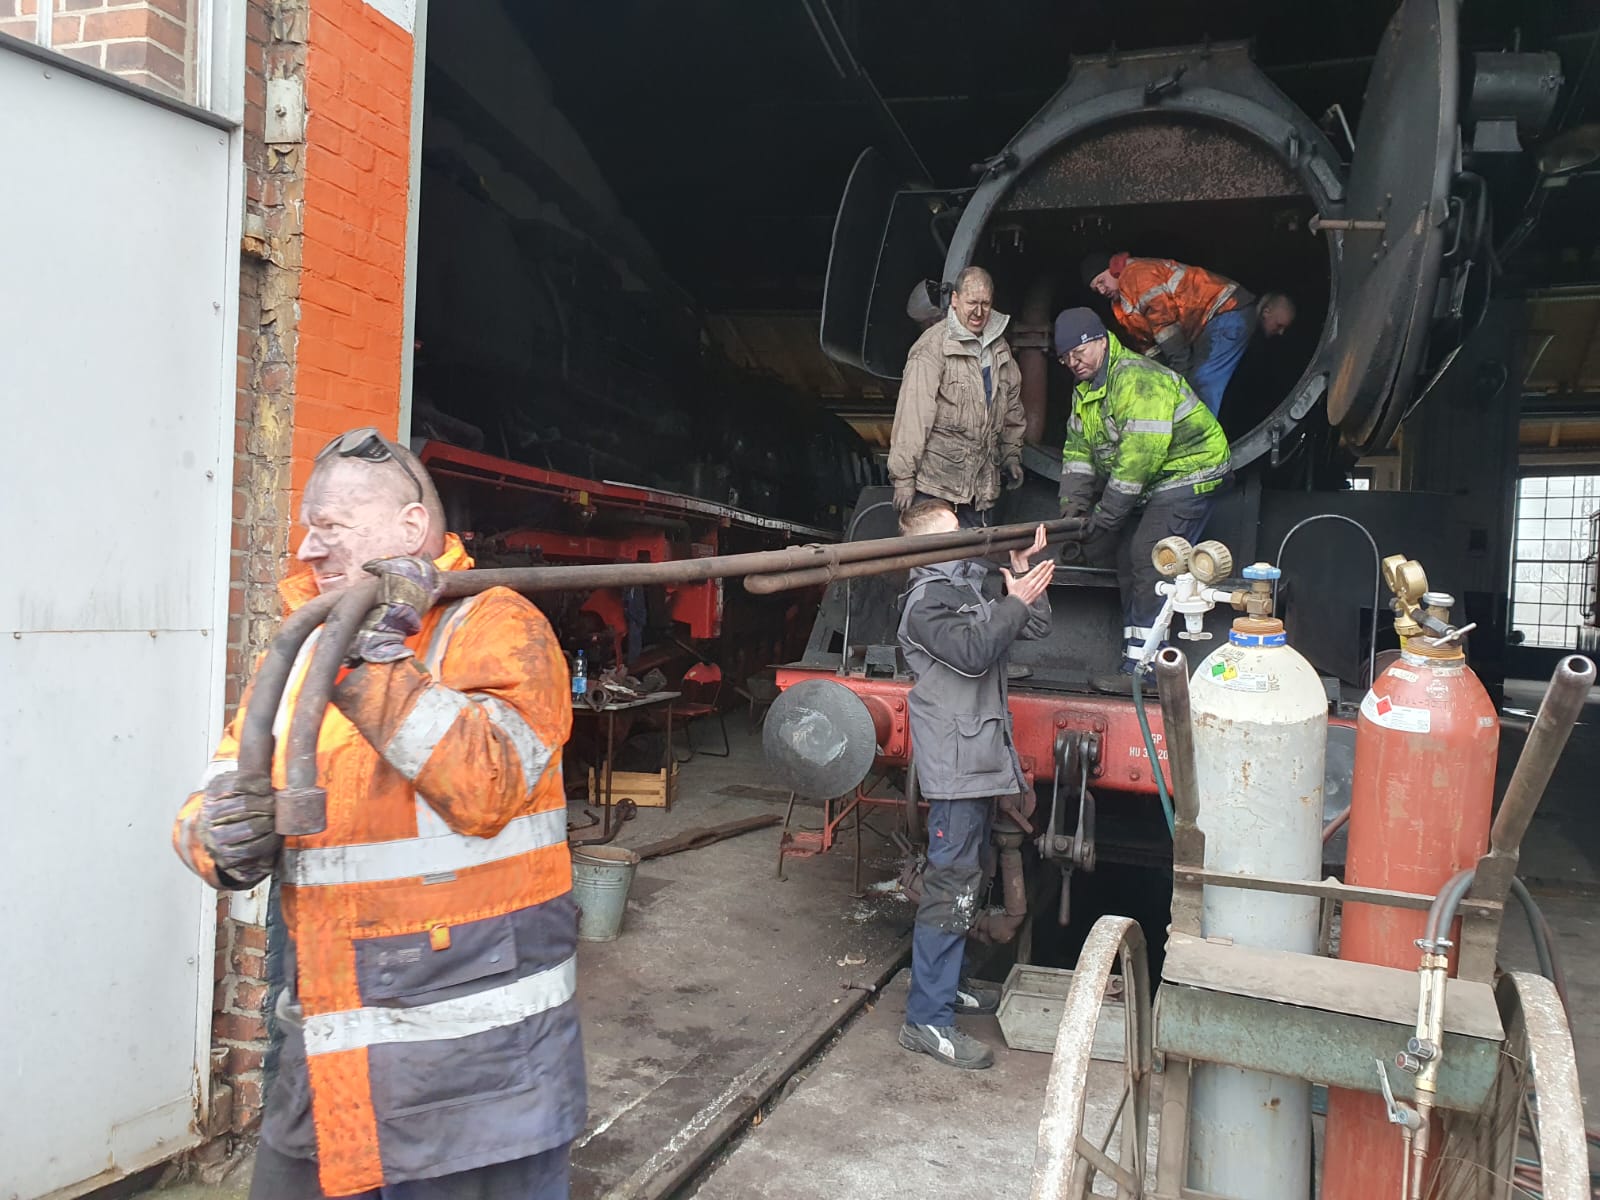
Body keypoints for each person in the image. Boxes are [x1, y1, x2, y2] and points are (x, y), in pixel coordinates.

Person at [173, 427, 584, 1199]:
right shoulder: (304, 648)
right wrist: (218, 836)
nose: (306, 549)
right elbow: (219, 784)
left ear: (411, 527)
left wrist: (371, 661)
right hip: (328, 1060)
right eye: (307, 527)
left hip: (479, 1078)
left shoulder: (497, 626)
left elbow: (489, 785)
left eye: (331, 526)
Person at [895, 499, 1054, 1069]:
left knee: (972, 875)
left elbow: (1034, 625)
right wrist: (1012, 601)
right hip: (957, 766)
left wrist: (1021, 579)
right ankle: (926, 1021)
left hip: (979, 759)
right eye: (953, 533)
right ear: (925, 548)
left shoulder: (964, 589)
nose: (965, 536)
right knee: (951, 885)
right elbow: (972, 652)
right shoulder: (925, 603)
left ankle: (950, 985)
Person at [1053, 308, 1232, 692]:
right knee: (1127, 561)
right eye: (1065, 358)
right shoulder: (1086, 392)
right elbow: (1078, 452)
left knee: (1150, 558)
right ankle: (1136, 658)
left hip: (1191, 473)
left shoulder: (1137, 380)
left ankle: (1146, 671)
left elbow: (1138, 461)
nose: (1073, 362)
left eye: (1079, 352)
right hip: (1158, 482)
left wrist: (1105, 517)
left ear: (1101, 341)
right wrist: (1073, 506)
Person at [888, 265, 1027, 527]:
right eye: (972, 303)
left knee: (974, 554)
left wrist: (1011, 455)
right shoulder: (931, 348)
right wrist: (904, 478)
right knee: (936, 554)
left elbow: (1011, 407)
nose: (978, 312)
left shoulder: (1000, 349)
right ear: (955, 300)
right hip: (935, 488)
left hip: (980, 492)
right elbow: (913, 417)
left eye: (985, 304)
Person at [1080, 250, 1295, 417]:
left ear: (1114, 269)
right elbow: (1148, 345)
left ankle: (1201, 444)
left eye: (1101, 281)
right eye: (1095, 289)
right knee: (1191, 384)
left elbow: (1164, 324)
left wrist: (1179, 365)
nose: (1101, 290)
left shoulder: (1136, 275)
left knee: (1203, 381)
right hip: (1208, 323)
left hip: (1224, 310)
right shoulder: (1120, 306)